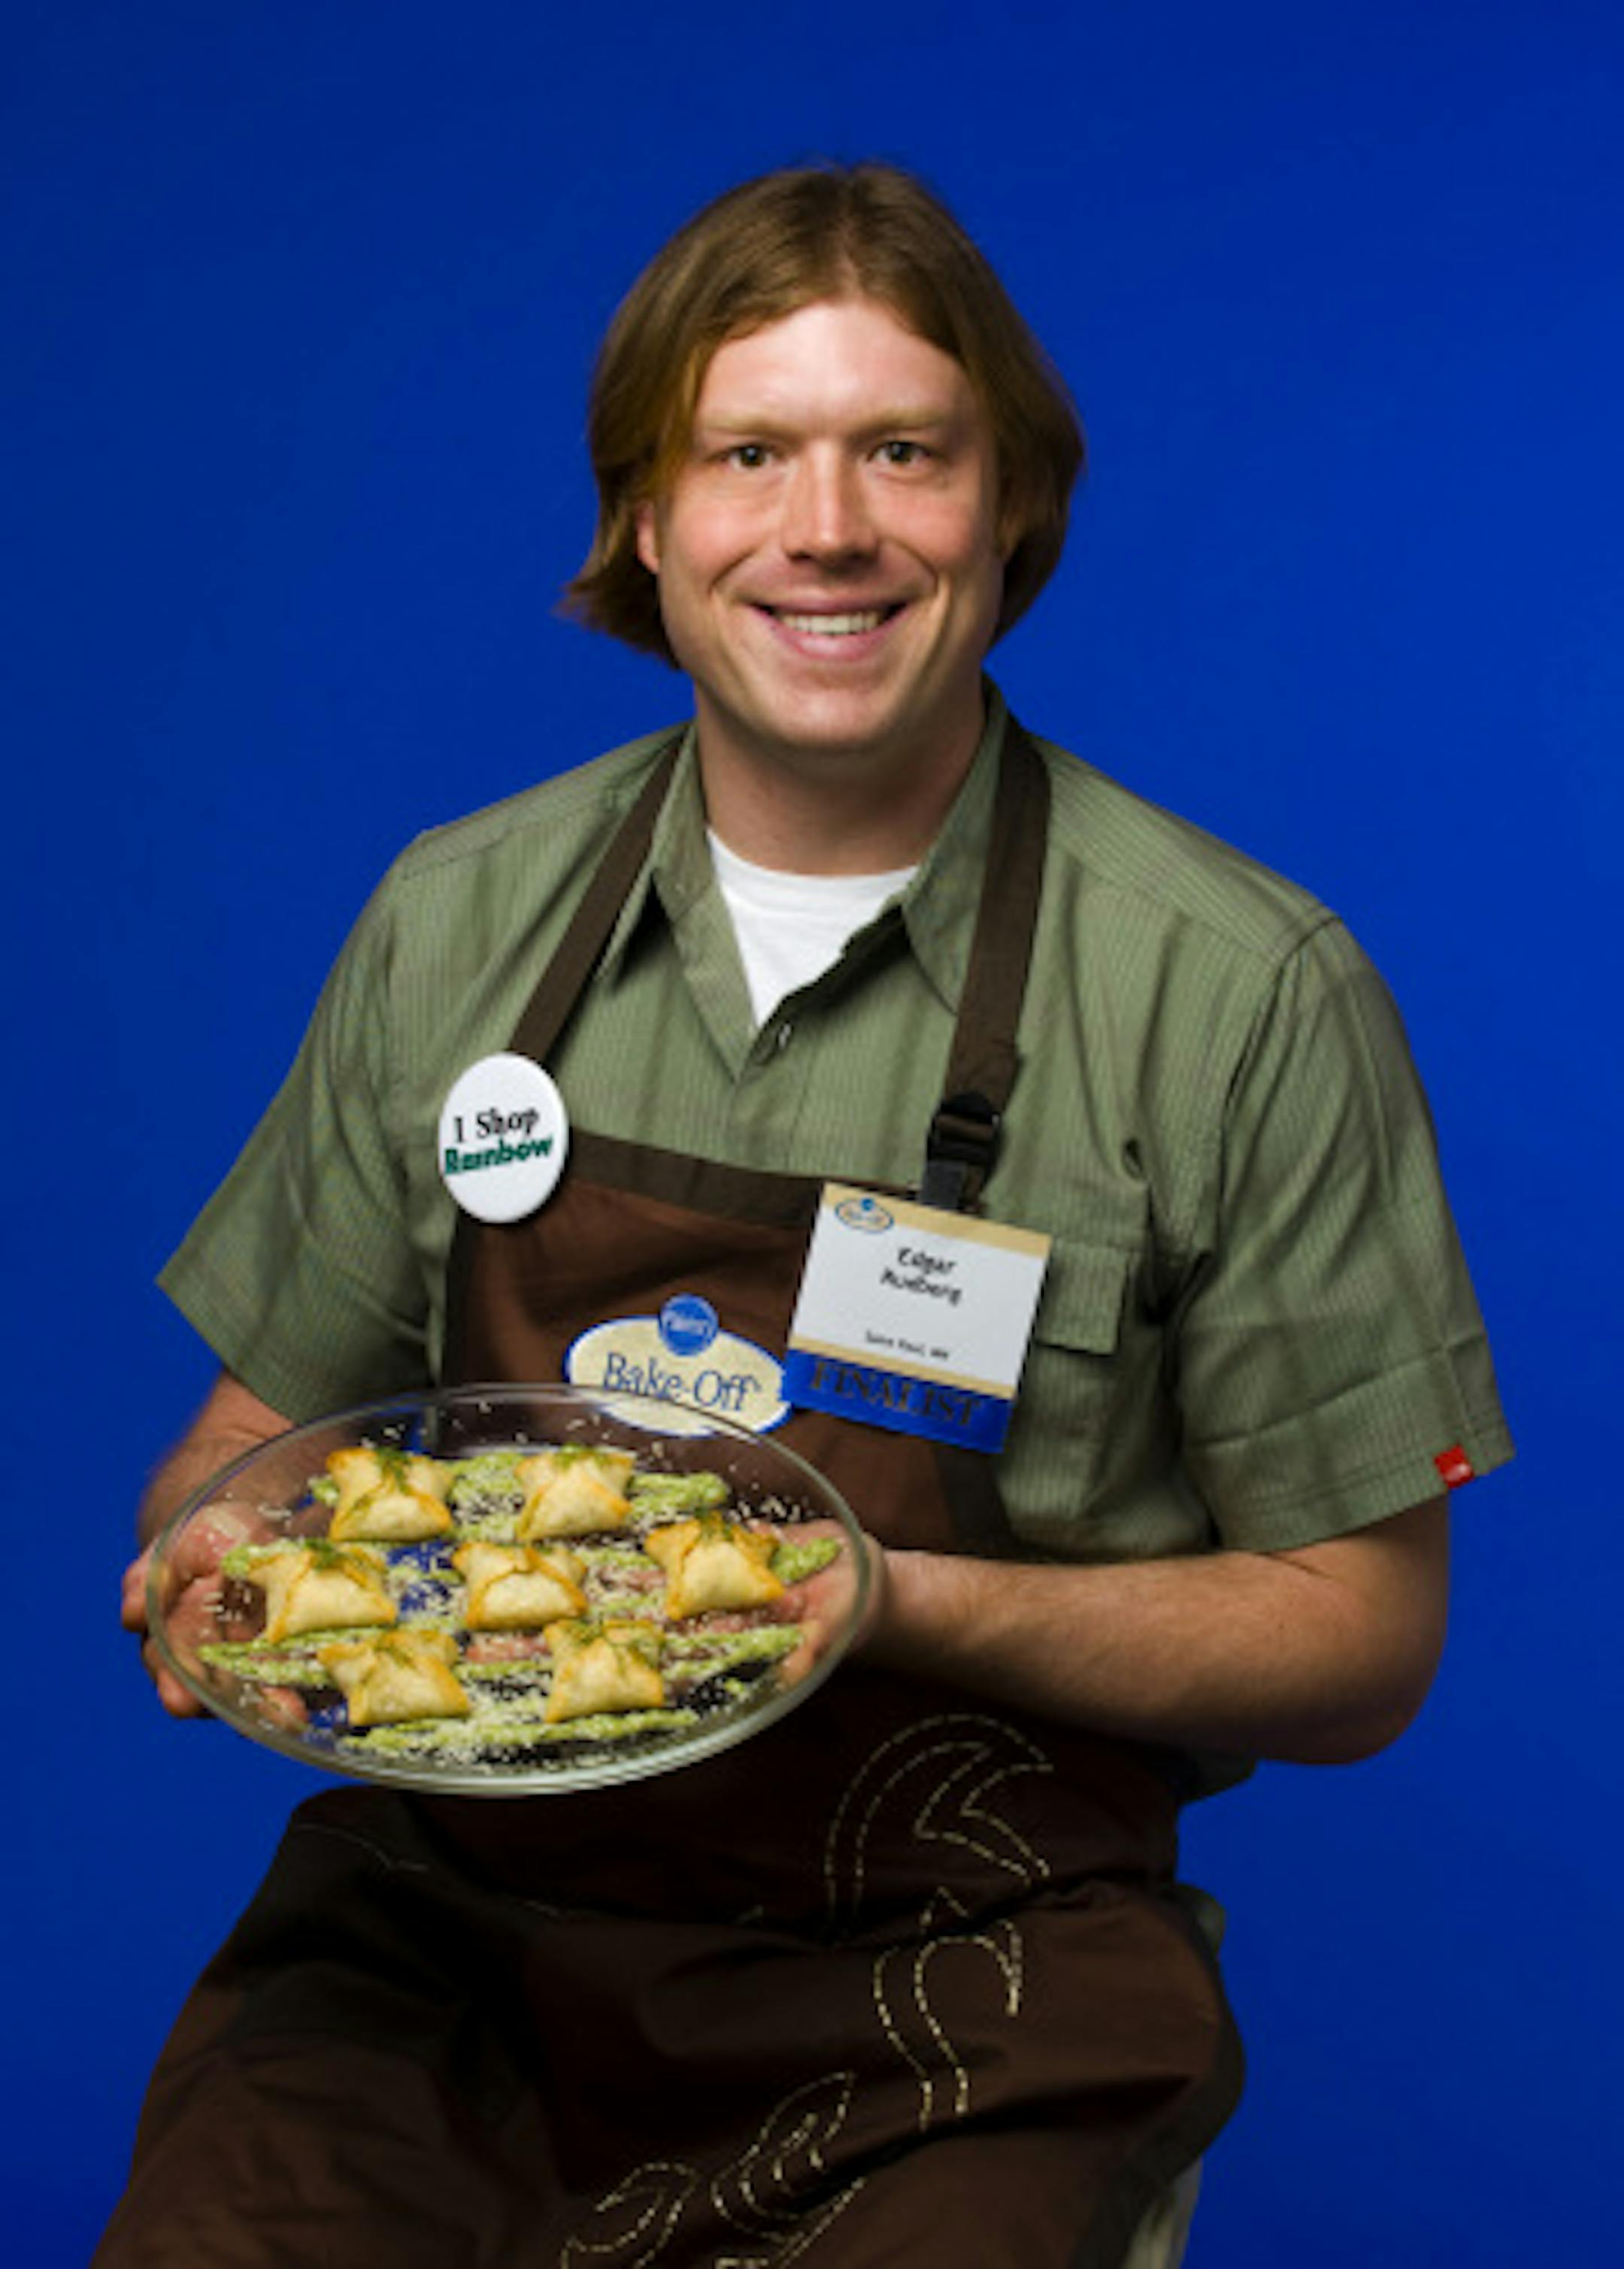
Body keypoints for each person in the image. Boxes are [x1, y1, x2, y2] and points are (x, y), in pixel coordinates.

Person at [105, 162, 1511, 2269]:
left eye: (904, 452)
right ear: (647, 522)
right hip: (463, 1952)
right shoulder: (454, 919)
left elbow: (1365, 1633)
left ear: (1007, 506)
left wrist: (893, 1600)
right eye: (747, 451)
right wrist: (211, 1530)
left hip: (972, 1971)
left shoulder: (1235, 991)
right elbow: (249, 1434)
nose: (827, 525)